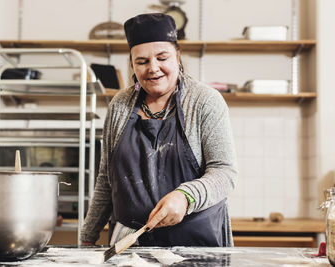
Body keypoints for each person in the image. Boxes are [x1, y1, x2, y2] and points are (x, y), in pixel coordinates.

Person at [81, 13, 237, 247]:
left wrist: (186, 196)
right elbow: (106, 180)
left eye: (162, 57)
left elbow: (224, 173)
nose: (153, 69)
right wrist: (86, 238)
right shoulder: (120, 105)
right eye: (142, 62)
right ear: (132, 63)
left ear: (177, 56)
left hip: (195, 245)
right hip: (130, 246)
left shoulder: (205, 101)